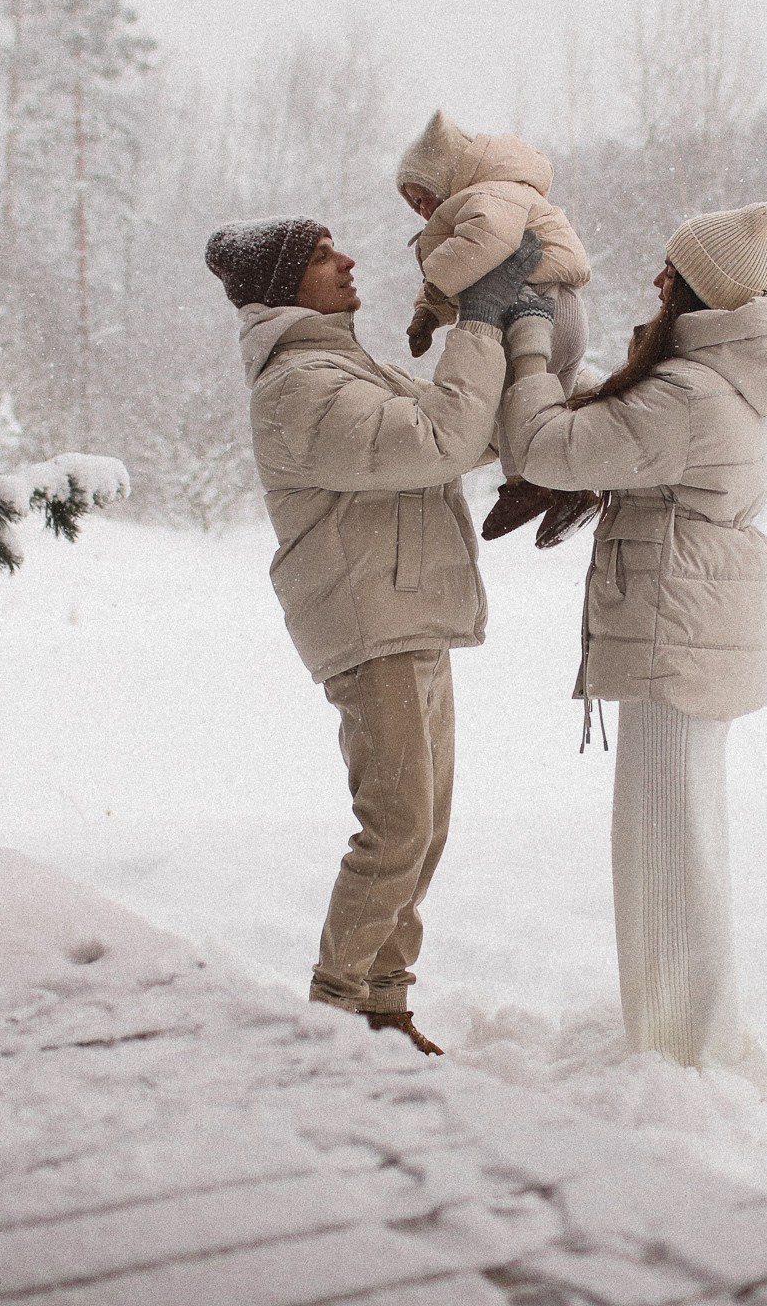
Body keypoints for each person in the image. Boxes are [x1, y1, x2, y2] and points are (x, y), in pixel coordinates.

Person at [206, 215, 545, 1056]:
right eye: (323, 257)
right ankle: (330, 1018)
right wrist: (478, 321)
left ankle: (383, 1006)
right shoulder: (299, 388)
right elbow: (438, 440)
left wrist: (525, 338)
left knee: (422, 830)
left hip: (409, 612)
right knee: (395, 827)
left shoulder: (345, 368)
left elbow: (463, 427)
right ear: (283, 284)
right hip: (371, 625)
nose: (347, 260)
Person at [495, 202, 767, 1084]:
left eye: (674, 271)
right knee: (683, 837)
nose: (658, 281)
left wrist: (526, 343)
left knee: (663, 844)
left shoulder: (687, 395)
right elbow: (614, 431)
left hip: (677, 631)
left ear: (701, 290)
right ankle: (691, 1039)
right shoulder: (717, 380)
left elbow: (547, 447)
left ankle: (682, 1056)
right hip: (696, 628)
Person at [394, 110, 602, 548]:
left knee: (510, 401)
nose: (423, 209)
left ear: (446, 175)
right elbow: (474, 271)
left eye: (425, 196)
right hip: (561, 312)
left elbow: (483, 248)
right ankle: (570, 485)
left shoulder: (490, 195)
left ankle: (525, 485)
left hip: (537, 311)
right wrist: (428, 313)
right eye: (414, 205)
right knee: (548, 412)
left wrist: (435, 284)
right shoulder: (502, 193)